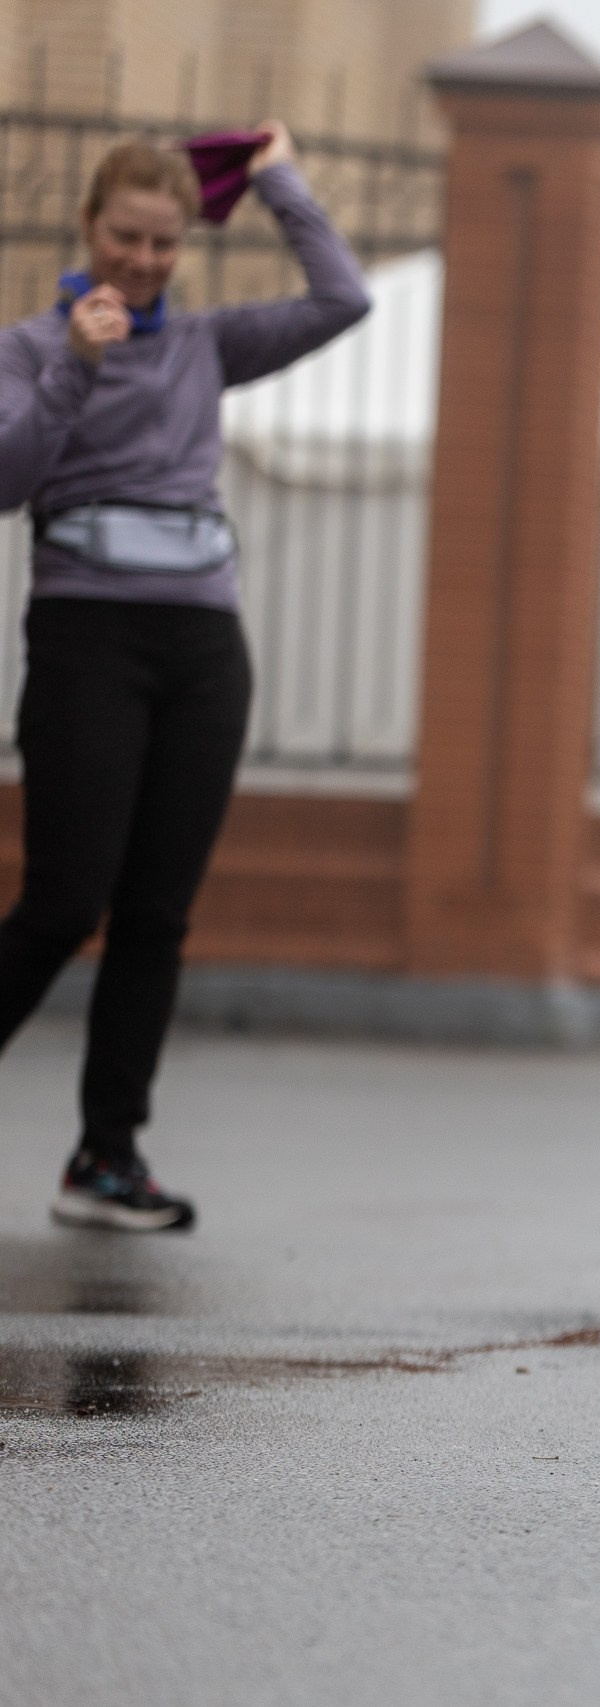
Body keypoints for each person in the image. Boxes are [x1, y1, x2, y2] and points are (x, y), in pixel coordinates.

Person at [0, 127, 367, 1232]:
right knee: (65, 902)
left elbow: (342, 298)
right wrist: (78, 365)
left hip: (204, 650)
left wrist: (277, 183)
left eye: (164, 242)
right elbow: (9, 482)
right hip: (86, 641)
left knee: (157, 914)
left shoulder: (207, 344)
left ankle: (107, 1159)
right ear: (89, 230)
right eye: (126, 237)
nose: (145, 260)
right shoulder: (30, 347)